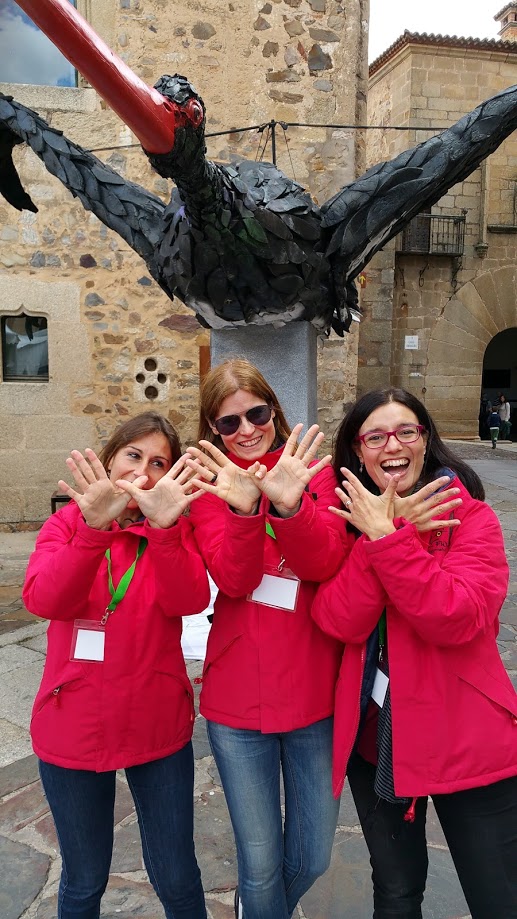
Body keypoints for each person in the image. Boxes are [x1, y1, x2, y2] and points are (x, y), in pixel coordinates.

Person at [311, 387, 517, 919]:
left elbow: (457, 617)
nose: (392, 445)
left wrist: (389, 542)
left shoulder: (470, 520)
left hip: (465, 738)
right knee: (396, 895)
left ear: (426, 441)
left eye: (406, 431)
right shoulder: (351, 524)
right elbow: (336, 618)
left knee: (498, 898)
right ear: (358, 452)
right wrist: (379, 539)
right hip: (377, 740)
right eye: (375, 436)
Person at [23, 412, 209, 919]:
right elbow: (44, 598)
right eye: (134, 455)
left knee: (176, 874)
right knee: (84, 881)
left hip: (155, 722)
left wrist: (167, 530)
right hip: (74, 724)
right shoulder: (67, 524)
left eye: (158, 463)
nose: (144, 472)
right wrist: (92, 528)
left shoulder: (171, 531)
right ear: (109, 459)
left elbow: (190, 598)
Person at [185, 359, 351, 919]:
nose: (246, 430)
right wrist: (244, 507)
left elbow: (324, 561)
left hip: (312, 695)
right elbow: (234, 579)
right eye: (228, 423)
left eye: (255, 413)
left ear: (274, 410)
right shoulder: (211, 488)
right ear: (214, 430)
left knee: (312, 857)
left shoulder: (309, 472)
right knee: (259, 863)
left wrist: (289, 503)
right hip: (237, 704)